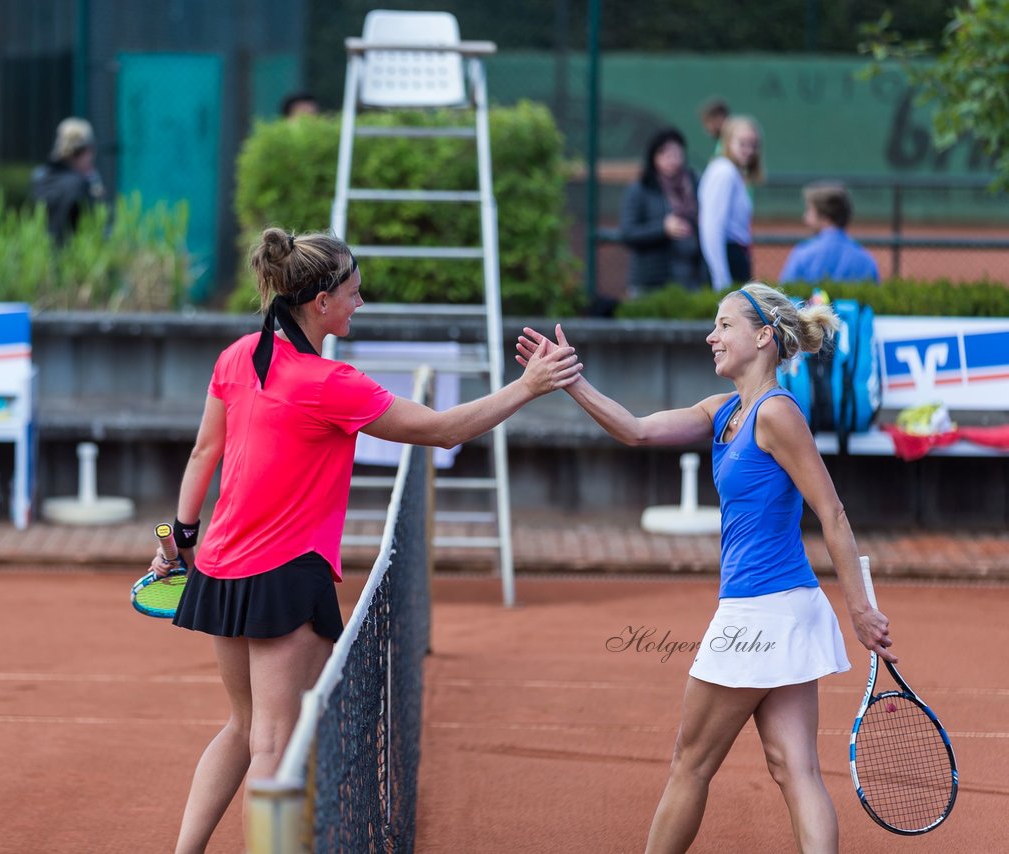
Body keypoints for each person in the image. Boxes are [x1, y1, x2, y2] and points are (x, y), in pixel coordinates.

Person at [151, 227, 580, 853]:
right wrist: (527, 387)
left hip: (217, 567)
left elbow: (203, 451)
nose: (360, 302)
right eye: (353, 292)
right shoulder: (331, 383)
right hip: (282, 578)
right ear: (320, 302)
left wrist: (174, 539)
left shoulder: (237, 355)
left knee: (245, 727)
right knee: (272, 740)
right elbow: (441, 431)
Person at [516, 282, 893, 854]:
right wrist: (570, 379)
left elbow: (832, 513)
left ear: (764, 338)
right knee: (795, 770)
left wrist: (862, 609)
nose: (710, 336)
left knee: (689, 764)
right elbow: (636, 430)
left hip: (759, 614)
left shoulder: (777, 414)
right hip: (784, 612)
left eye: (724, 326)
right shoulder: (723, 412)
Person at [619, 128, 707, 297]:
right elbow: (628, 233)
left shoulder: (696, 184)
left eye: (676, 153)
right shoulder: (640, 189)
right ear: (654, 157)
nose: (672, 159)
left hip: (691, 279)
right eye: (665, 154)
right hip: (651, 282)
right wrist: (663, 228)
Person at [699, 116, 764, 292]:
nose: (749, 150)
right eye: (743, 144)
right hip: (727, 259)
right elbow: (712, 227)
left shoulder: (732, 172)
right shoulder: (724, 172)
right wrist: (721, 278)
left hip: (735, 257)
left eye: (753, 144)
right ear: (728, 142)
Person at [779, 182, 880, 285]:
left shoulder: (802, 254)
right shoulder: (866, 260)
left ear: (824, 217)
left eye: (809, 210)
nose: (805, 218)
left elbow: (786, 295)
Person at [30, 118, 106, 244]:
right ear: (86, 151)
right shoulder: (80, 184)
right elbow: (94, 225)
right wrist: (94, 188)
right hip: (71, 254)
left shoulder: (40, 177)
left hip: (40, 251)